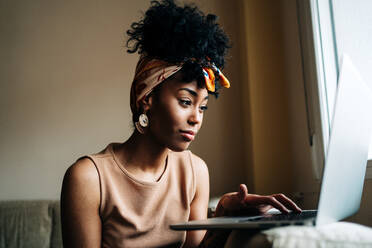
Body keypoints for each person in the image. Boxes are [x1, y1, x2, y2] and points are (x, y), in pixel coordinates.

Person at [60, 0, 302, 247]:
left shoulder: (195, 172)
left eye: (203, 106)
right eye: (186, 101)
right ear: (147, 98)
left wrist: (223, 217)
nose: (196, 117)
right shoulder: (88, 179)